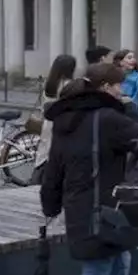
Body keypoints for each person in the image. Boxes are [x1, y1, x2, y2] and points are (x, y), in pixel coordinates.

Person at [40, 63, 138, 275]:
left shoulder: (66, 121)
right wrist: (131, 108)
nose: (122, 90)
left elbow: (54, 169)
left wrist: (50, 205)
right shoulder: (108, 119)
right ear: (106, 88)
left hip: (81, 209)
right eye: (119, 85)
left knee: (121, 263)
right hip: (104, 211)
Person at [33, 54, 78, 182]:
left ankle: (39, 178)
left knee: (45, 153)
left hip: (48, 122)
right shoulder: (70, 85)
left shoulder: (50, 83)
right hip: (62, 122)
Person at [111, 49, 138, 114]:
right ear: (120, 62)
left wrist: (129, 104)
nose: (133, 60)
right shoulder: (113, 75)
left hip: (133, 109)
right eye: (129, 58)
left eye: (134, 58)